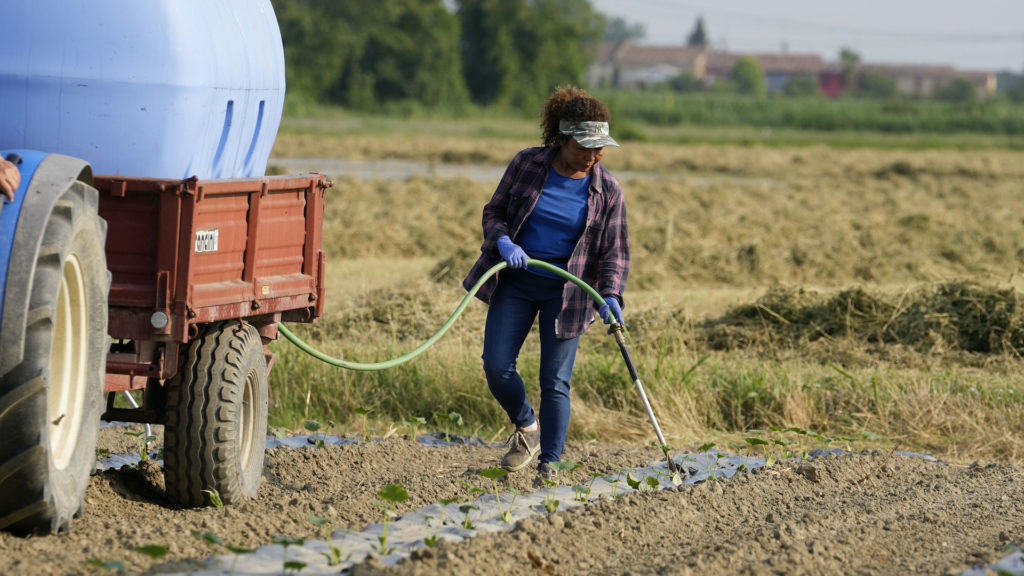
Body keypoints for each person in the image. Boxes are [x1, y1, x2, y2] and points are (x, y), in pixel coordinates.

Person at [462, 85, 630, 483]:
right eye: (583, 147)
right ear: (562, 138)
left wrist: (610, 294)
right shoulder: (527, 165)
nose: (592, 156)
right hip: (518, 281)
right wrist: (503, 241)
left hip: (568, 292)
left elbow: (614, 252)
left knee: (554, 380)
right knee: (497, 365)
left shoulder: (607, 190)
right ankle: (527, 428)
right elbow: (495, 211)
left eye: (600, 148)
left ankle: (549, 465)